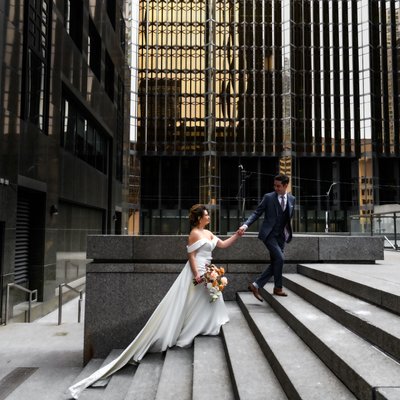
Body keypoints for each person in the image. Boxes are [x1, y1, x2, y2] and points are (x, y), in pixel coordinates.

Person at [68, 204, 241, 399]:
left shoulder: (208, 232)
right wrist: (197, 275)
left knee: (208, 299)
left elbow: (224, 244)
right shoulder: (194, 234)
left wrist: (237, 235)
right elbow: (191, 256)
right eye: (207, 215)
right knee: (194, 301)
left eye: (208, 215)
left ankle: (207, 324)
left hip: (209, 269)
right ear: (199, 217)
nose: (209, 217)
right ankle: (193, 328)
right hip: (199, 272)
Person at [238, 173, 295, 300]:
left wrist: (287, 233)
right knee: (280, 259)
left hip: (281, 236)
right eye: (274, 185)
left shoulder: (292, 199)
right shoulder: (268, 197)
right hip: (269, 235)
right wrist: (245, 226)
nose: (276, 188)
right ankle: (258, 285)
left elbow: (288, 218)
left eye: (278, 186)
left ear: (286, 185)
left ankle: (276, 288)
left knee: (276, 261)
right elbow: (257, 213)